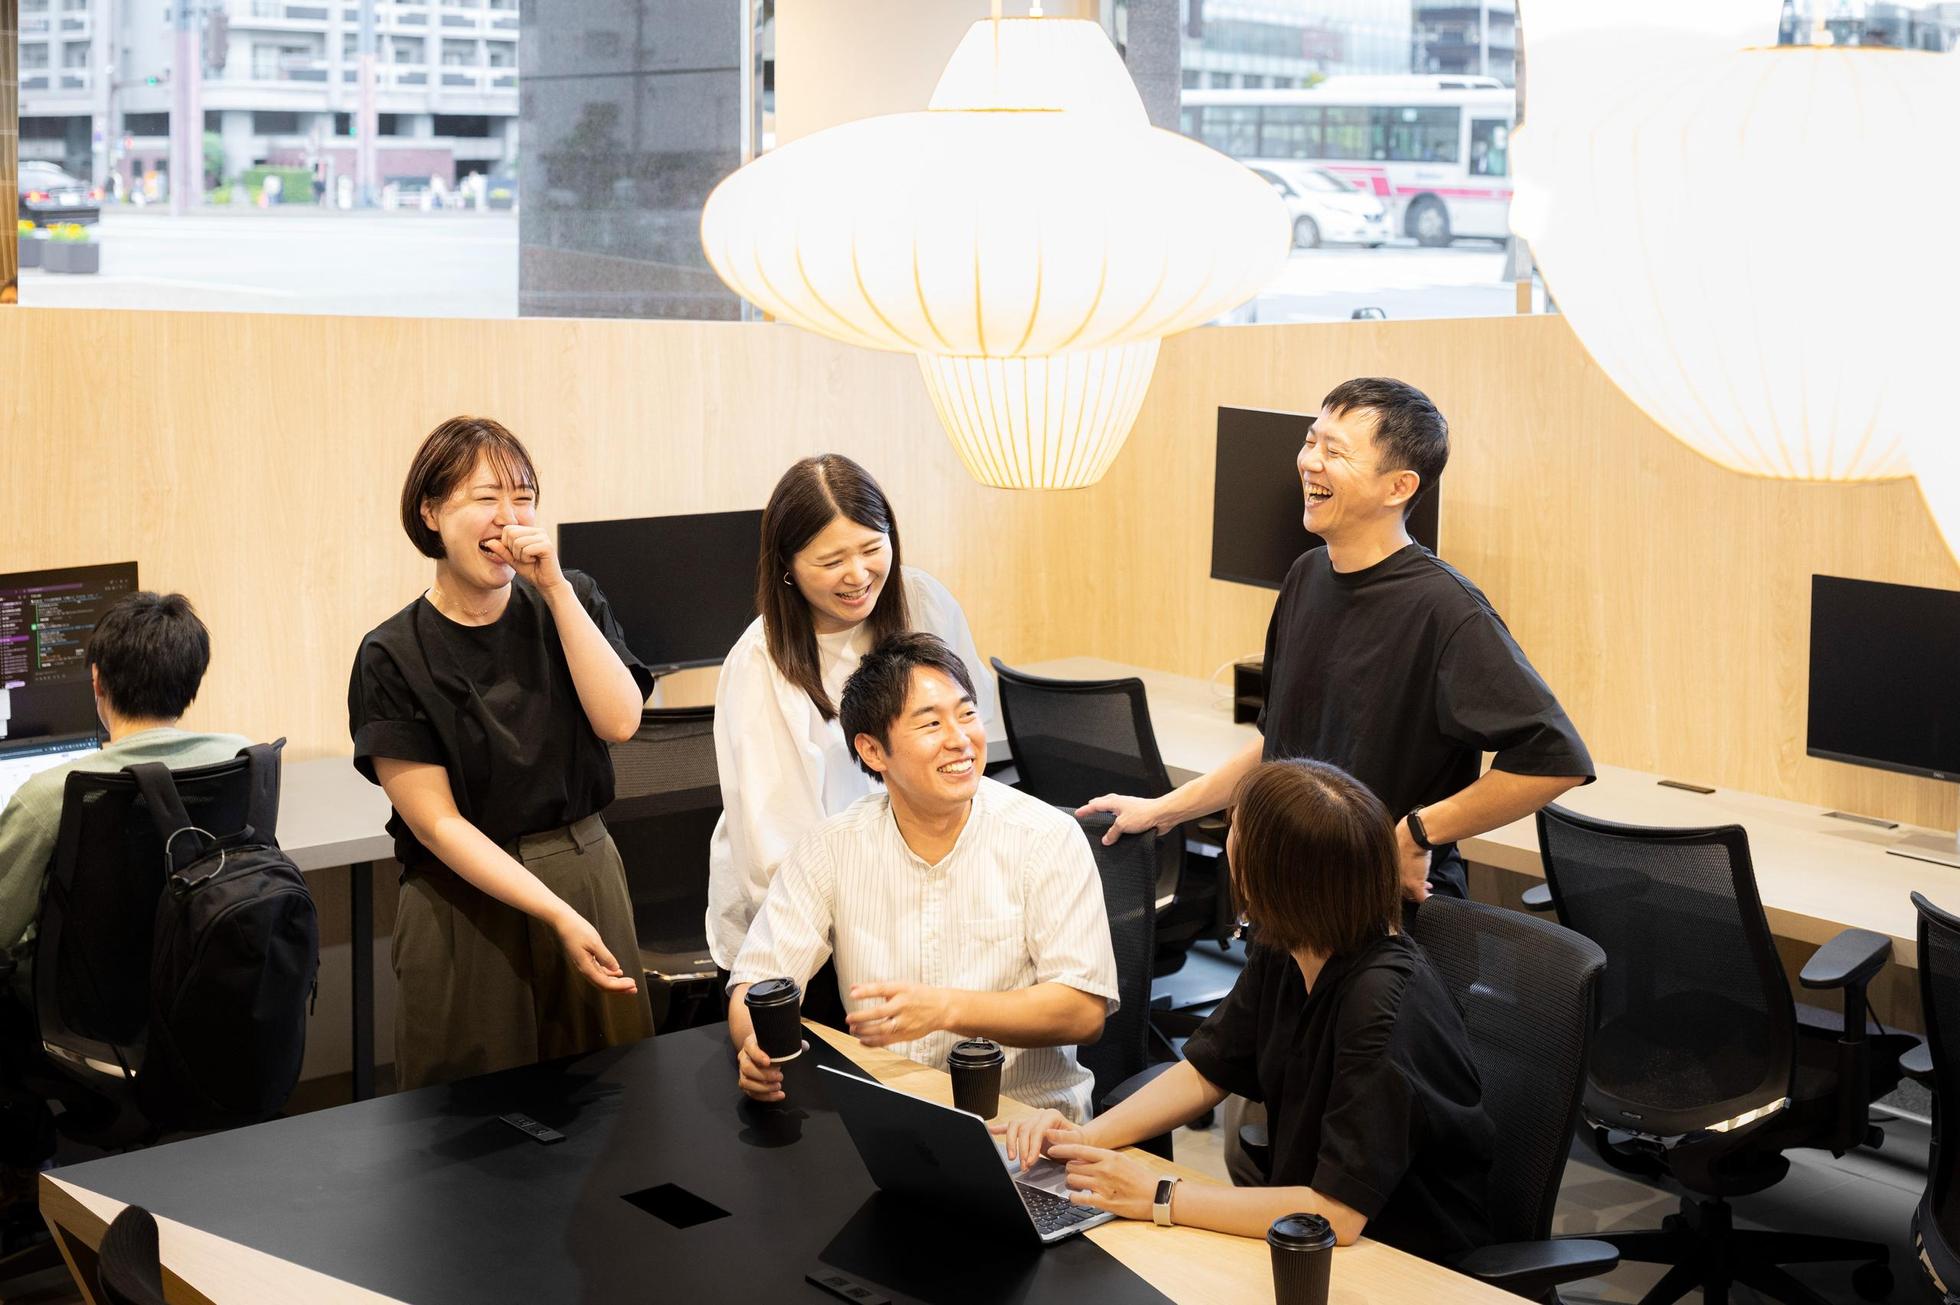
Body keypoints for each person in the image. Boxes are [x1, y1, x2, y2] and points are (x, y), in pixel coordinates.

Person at [1082, 376, 1593, 903]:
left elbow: (1555, 760)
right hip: (1288, 900)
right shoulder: (1306, 575)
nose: (1310, 462)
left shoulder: (1446, 609)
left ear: (1398, 487)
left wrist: (1417, 832)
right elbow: (1279, 747)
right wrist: (1164, 810)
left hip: (1377, 908)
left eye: (1334, 451)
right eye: (1310, 441)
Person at [995, 759, 1495, 1262]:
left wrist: (1159, 1196)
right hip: (1301, 1234)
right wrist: (1083, 1138)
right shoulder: (1291, 947)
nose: (1227, 841)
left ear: (1272, 876)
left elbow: (1338, 1215)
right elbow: (1208, 1070)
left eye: (1234, 830)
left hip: (1403, 1260)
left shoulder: (1381, 1006)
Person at [348, 416, 655, 1090]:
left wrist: (556, 590)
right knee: (475, 1118)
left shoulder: (570, 597)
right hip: (464, 904)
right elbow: (438, 825)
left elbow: (619, 720)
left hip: (585, 872)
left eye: (523, 498)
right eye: (486, 498)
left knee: (613, 1101)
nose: (509, 518)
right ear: (431, 513)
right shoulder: (391, 653)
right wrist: (552, 913)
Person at [727, 632, 1116, 1120]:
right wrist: (756, 1048)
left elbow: (1083, 1011)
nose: (960, 739)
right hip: (890, 1115)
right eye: (931, 723)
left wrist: (945, 1009)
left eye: (967, 714)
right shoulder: (831, 846)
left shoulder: (1045, 837)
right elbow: (757, 981)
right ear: (873, 751)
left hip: (1023, 1123)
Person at [706, 454, 999, 1009]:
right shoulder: (762, 662)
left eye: (871, 548)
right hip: (814, 927)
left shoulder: (922, 601)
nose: (859, 575)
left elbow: (970, 730)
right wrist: (869, 930)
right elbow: (779, 851)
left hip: (927, 903)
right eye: (831, 560)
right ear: (787, 566)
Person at [0, 592, 249, 991]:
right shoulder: (241, 759)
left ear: (97, 681)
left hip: (88, 1009)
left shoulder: (49, 796)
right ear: (193, 681)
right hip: (203, 993)